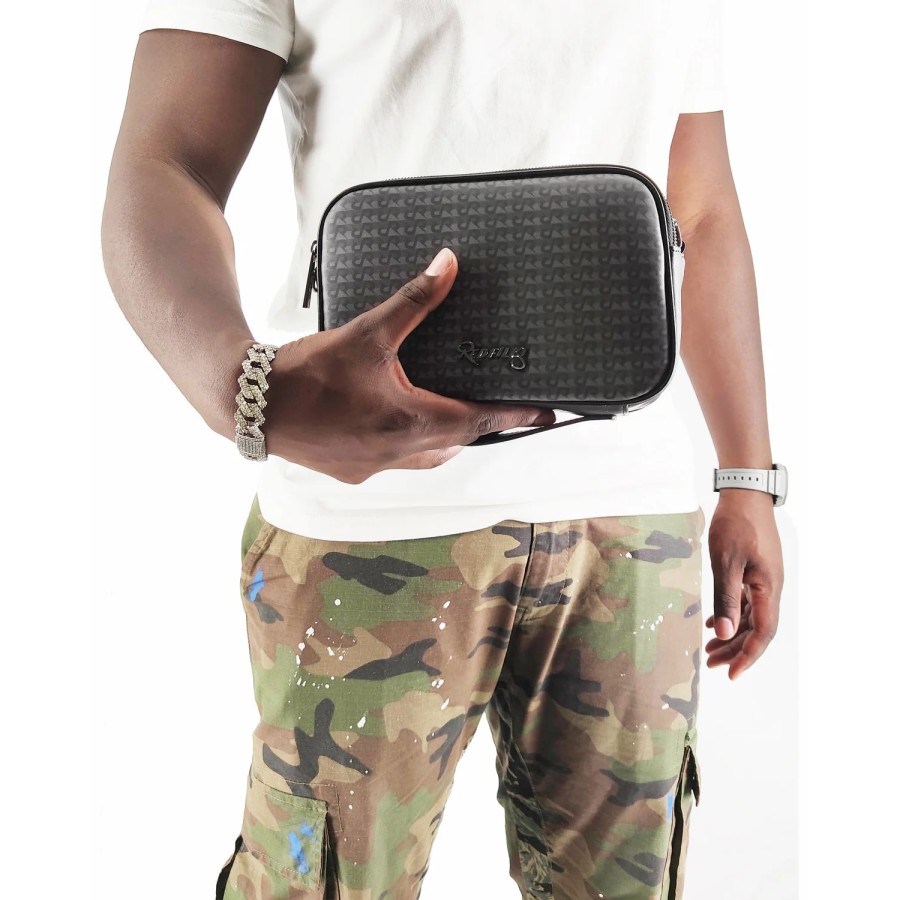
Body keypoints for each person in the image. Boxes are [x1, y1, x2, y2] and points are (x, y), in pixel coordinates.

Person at [101, 1, 786, 897]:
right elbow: (166, 162)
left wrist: (748, 478)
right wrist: (244, 392)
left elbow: (700, 205)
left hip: (628, 515)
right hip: (367, 519)